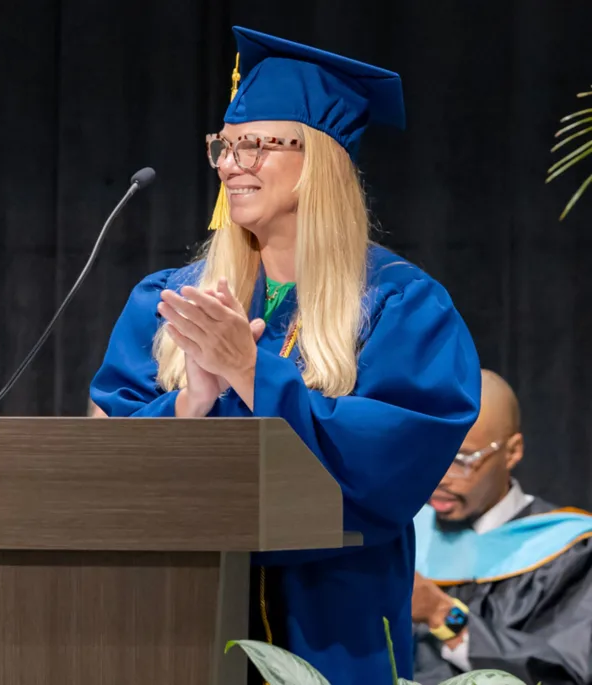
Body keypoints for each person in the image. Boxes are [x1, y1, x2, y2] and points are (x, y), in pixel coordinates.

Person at [89, 26, 481, 685]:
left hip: (332, 628)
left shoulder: (401, 305)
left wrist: (251, 372)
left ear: (320, 159)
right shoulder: (170, 301)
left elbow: (389, 467)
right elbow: (104, 467)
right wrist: (189, 403)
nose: (229, 164)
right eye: (224, 145)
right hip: (175, 620)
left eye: (256, 145)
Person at [413, 369, 592, 685]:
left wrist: (442, 614)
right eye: (430, 455)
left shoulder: (569, 549)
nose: (440, 478)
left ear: (512, 452)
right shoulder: (406, 532)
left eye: (461, 459)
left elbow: (565, 672)